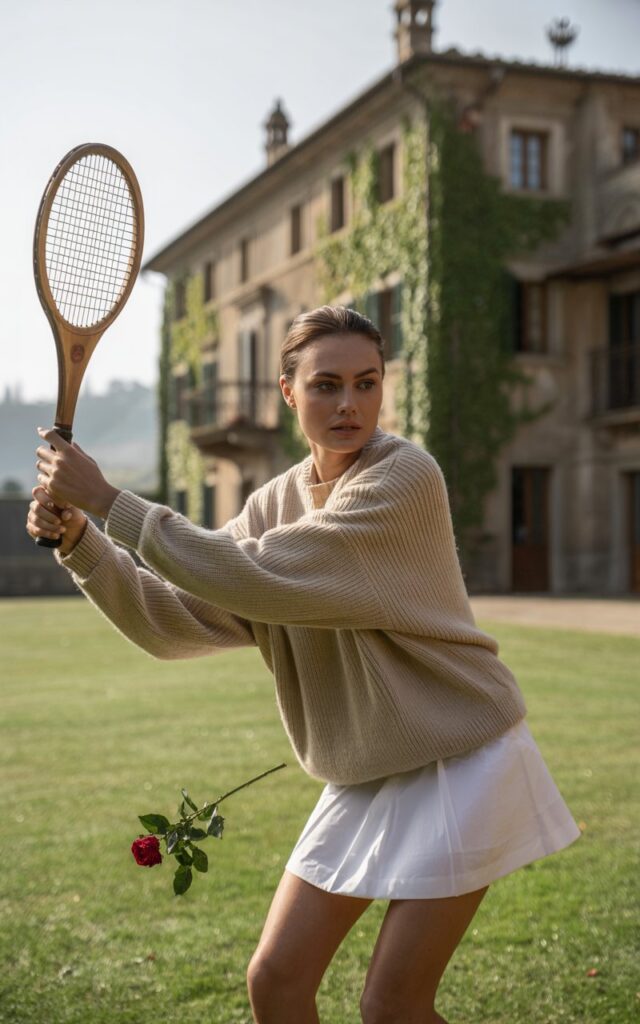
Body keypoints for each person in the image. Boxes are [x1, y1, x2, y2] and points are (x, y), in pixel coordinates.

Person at [27, 305, 581, 1024]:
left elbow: (255, 574)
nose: (349, 403)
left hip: (462, 758)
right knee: (277, 981)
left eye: (366, 382)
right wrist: (81, 543)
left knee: (393, 1007)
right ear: (287, 392)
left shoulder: (406, 478)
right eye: (325, 385)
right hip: (364, 771)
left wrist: (105, 499)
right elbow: (176, 619)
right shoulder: (273, 503)